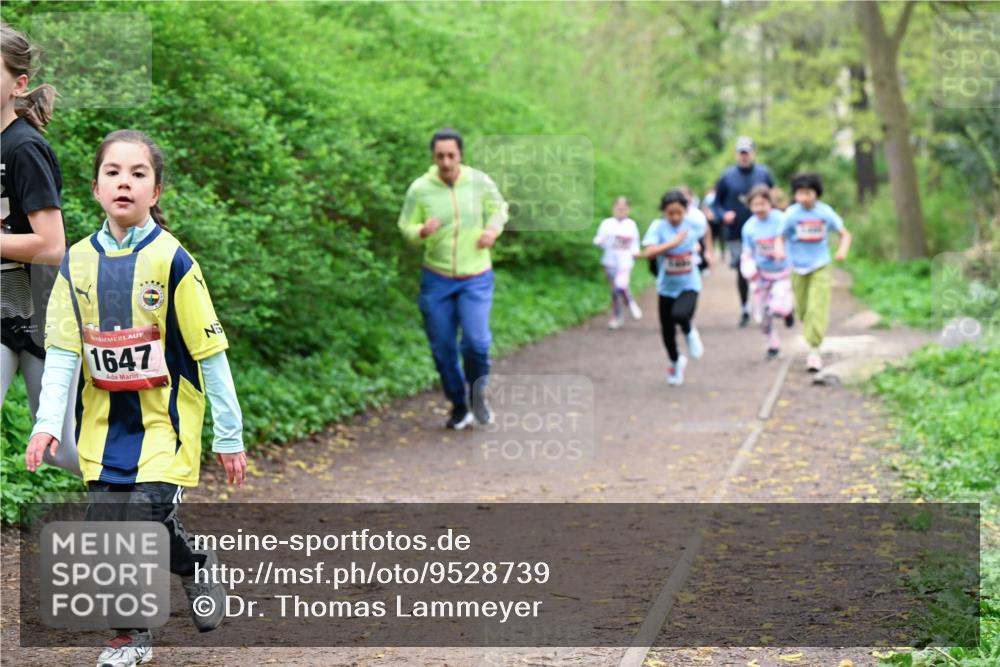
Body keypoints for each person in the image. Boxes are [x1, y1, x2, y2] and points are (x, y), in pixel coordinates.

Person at [25, 130, 247, 667]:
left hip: (165, 428)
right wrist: (46, 423)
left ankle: (141, 625)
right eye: (114, 172)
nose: (125, 181)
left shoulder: (174, 262)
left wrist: (230, 433)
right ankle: (178, 584)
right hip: (104, 427)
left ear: (156, 191)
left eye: (138, 173)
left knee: (145, 519)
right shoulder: (76, 263)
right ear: (96, 187)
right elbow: (61, 353)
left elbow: (209, 352)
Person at [0, 22, 80, 474]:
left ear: (19, 84)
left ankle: (149, 497)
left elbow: (51, 246)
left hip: (39, 314)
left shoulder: (25, 149)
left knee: (59, 450)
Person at [398, 128, 509, 429]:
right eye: (440, 156)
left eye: (451, 156)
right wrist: (420, 231)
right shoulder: (421, 188)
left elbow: (500, 208)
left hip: (476, 276)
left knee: (476, 343)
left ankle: (478, 397)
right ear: (433, 157)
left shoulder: (479, 182)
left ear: (460, 155)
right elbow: (405, 224)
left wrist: (492, 230)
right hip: (437, 277)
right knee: (443, 348)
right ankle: (459, 405)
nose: (446, 162)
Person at [782, 172, 852, 372]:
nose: (804, 197)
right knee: (803, 310)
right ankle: (811, 335)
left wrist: (842, 251)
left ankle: (814, 350)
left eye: (808, 193)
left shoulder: (825, 212)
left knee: (817, 307)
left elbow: (844, 234)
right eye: (799, 193)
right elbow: (781, 236)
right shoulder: (791, 214)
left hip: (820, 264)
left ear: (816, 193)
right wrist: (780, 251)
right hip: (797, 266)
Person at [640, 190, 706, 387]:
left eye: (679, 212)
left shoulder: (693, 225)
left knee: (680, 314)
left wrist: (704, 249)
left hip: (689, 284)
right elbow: (649, 252)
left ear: (685, 211)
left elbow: (705, 231)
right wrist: (673, 243)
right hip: (666, 286)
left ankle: (689, 332)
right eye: (671, 213)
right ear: (663, 212)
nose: (675, 217)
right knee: (667, 331)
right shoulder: (658, 227)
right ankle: (676, 362)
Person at [712, 136, 774, 327]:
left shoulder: (764, 174)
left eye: (747, 152)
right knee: (742, 269)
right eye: (741, 152)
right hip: (736, 232)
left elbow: (773, 197)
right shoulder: (726, 176)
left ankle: (768, 305)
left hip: (764, 231)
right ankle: (745, 307)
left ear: (753, 153)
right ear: (736, 154)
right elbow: (716, 204)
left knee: (766, 266)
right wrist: (724, 215)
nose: (744, 156)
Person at [740, 185, 793, 360]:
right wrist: (749, 268)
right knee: (763, 315)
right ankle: (772, 345)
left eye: (763, 204)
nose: (759, 208)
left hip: (782, 272)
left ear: (770, 203)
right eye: (755, 205)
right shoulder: (749, 227)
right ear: (750, 206)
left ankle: (788, 311)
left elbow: (791, 241)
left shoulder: (781, 220)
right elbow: (747, 252)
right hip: (762, 275)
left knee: (778, 304)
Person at [593, 196, 642, 329]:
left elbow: (635, 243)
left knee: (621, 285)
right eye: (618, 208)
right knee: (614, 290)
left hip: (625, 262)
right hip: (610, 261)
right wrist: (600, 240)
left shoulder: (631, 225)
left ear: (628, 209)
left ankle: (630, 303)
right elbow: (598, 240)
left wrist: (636, 252)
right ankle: (617, 316)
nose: (620, 211)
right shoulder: (606, 224)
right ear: (613, 208)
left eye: (623, 208)